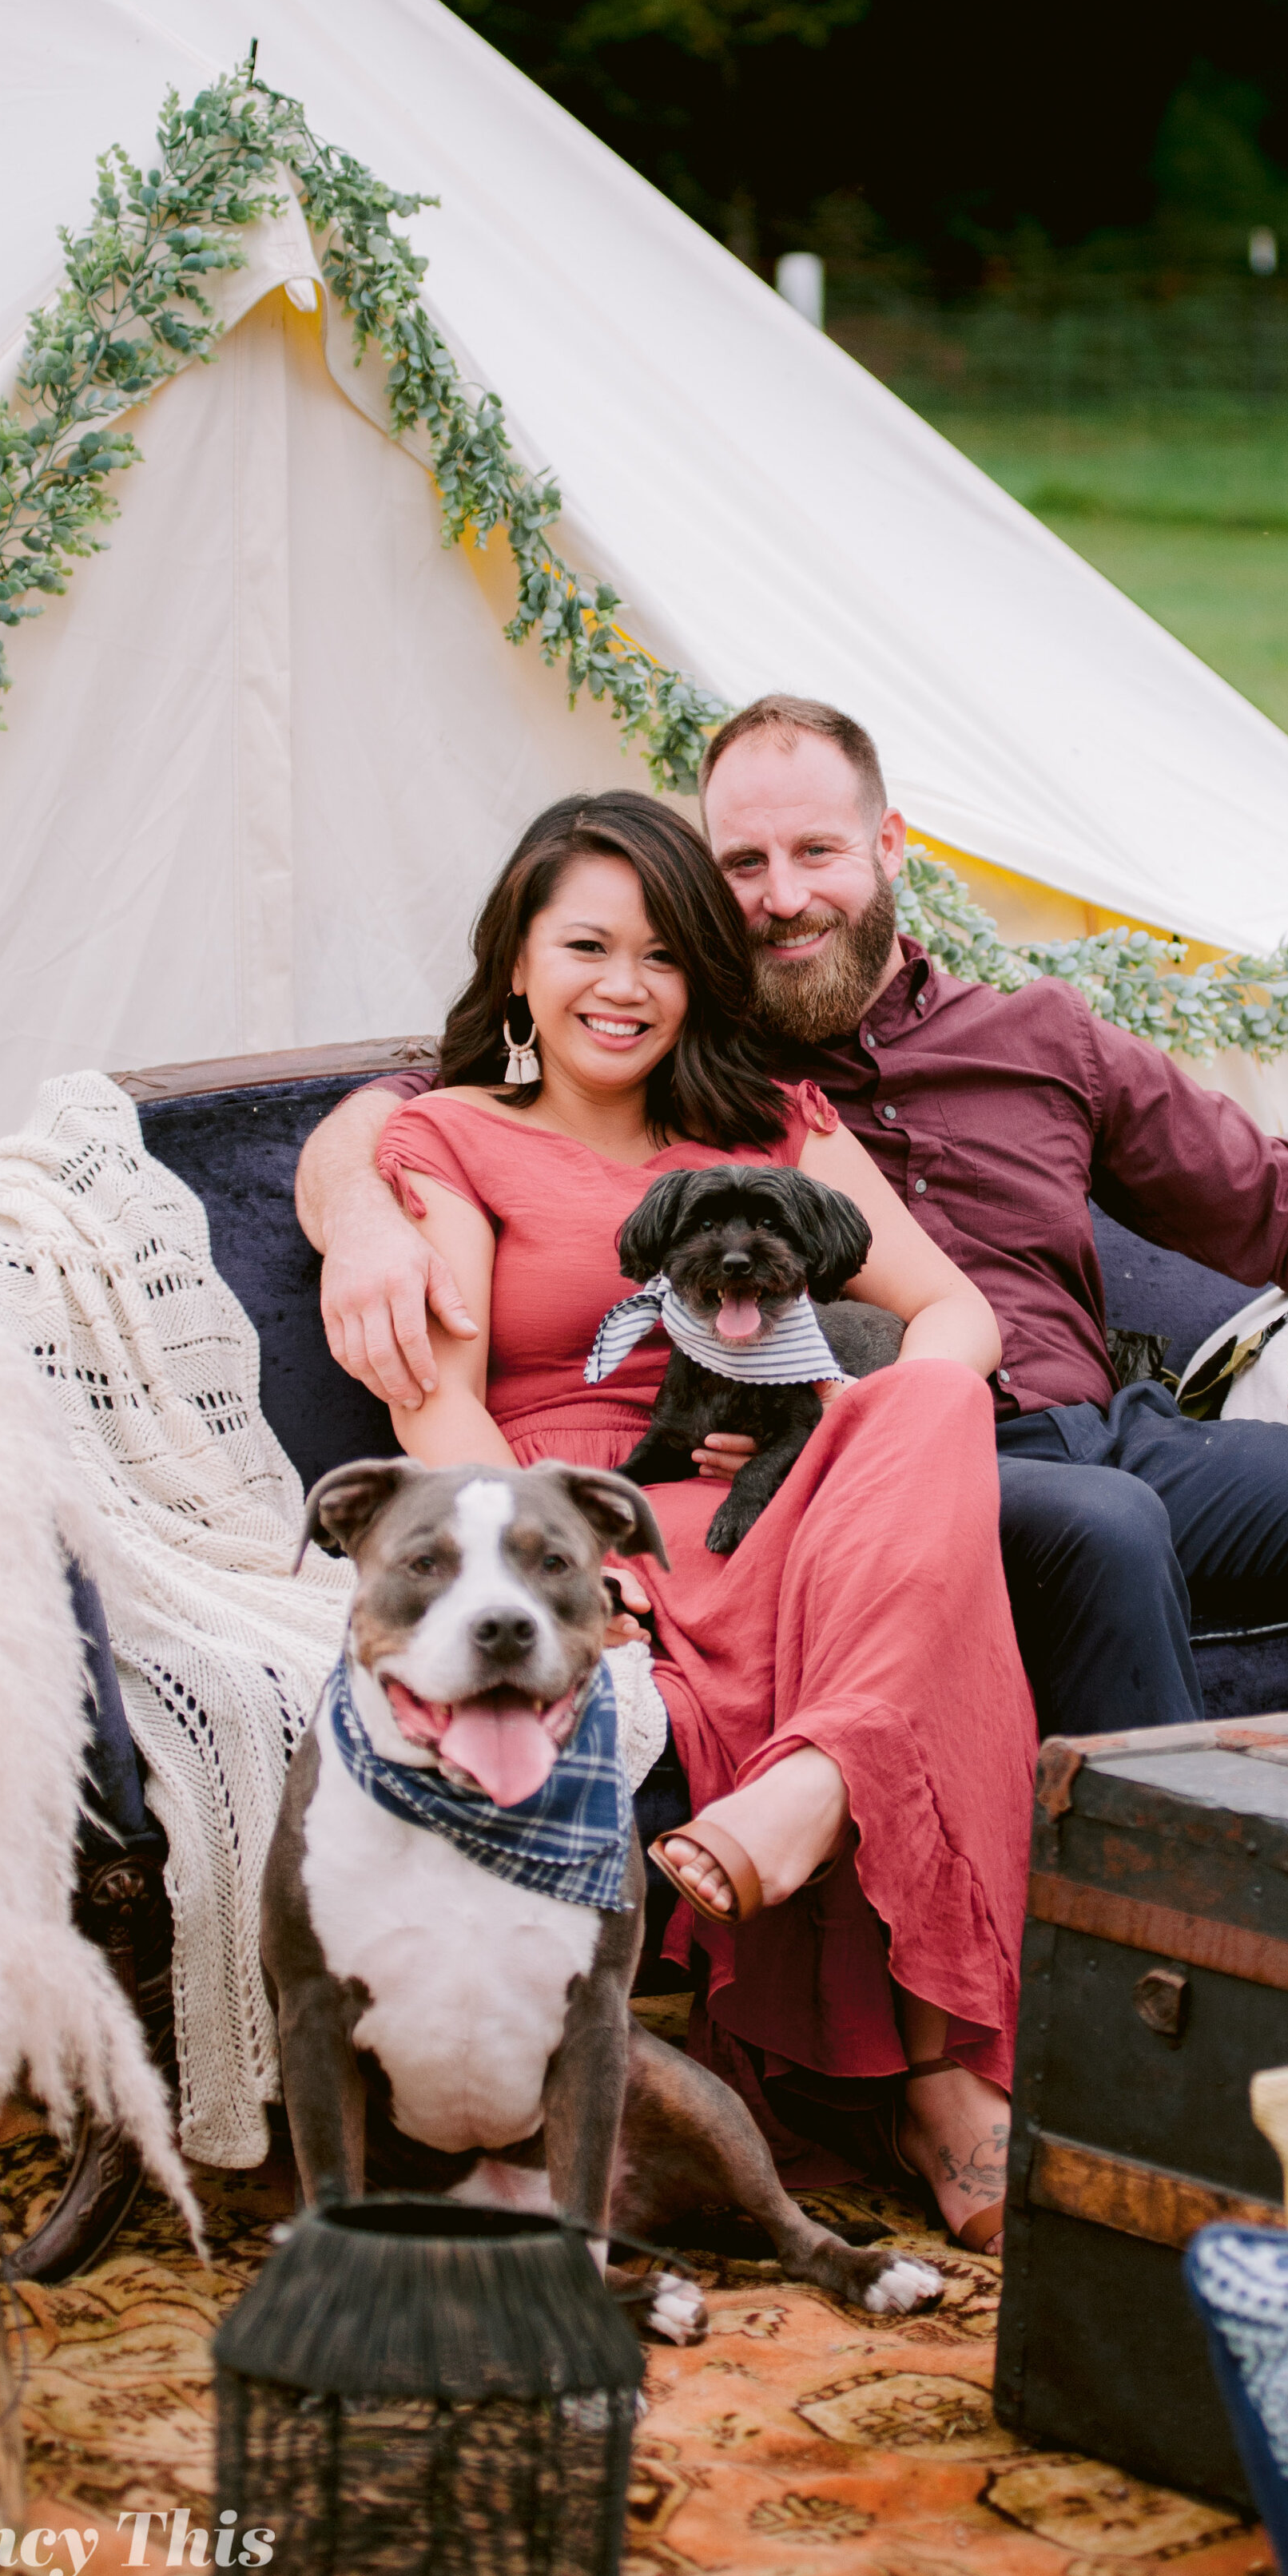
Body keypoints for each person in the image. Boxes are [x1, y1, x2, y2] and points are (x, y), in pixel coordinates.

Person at [300, 704, 1288, 1736]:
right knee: (1106, 1532)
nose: (783, 896)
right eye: (741, 865)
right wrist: (358, 1211)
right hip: (913, 1462)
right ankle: (1164, 1947)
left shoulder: (1042, 1037)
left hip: (1107, 1429)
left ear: (890, 848)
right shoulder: (693, 1051)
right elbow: (437, 1107)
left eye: (817, 853)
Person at [360, 788, 1036, 2253]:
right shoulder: (453, 1137)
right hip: (602, 1520)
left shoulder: (770, 1123)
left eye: (662, 952)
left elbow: (954, 1314)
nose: (625, 984)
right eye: (587, 945)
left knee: (927, 1406)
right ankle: (942, 2079)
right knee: (936, 1588)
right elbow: (442, 1403)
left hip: (799, 1498)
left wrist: (862, 1438)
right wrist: (560, 1566)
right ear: (521, 964)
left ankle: (816, 1801)